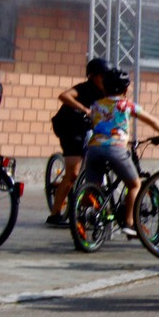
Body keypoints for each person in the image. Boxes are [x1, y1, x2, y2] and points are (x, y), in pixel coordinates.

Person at [82, 68, 159, 236]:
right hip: (115, 148)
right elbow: (151, 120)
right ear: (125, 90)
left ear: (104, 88)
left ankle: (83, 215)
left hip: (94, 148)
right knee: (134, 184)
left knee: (93, 187)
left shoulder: (96, 105)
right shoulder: (126, 105)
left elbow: (96, 124)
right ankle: (129, 223)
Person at [47, 57, 109, 226]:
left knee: (97, 166)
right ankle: (55, 214)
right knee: (73, 173)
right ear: (92, 76)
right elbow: (63, 95)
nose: (104, 78)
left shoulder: (107, 92)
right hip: (69, 128)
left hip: (88, 129)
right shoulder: (83, 88)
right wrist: (84, 109)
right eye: (101, 75)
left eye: (106, 75)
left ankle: (84, 209)